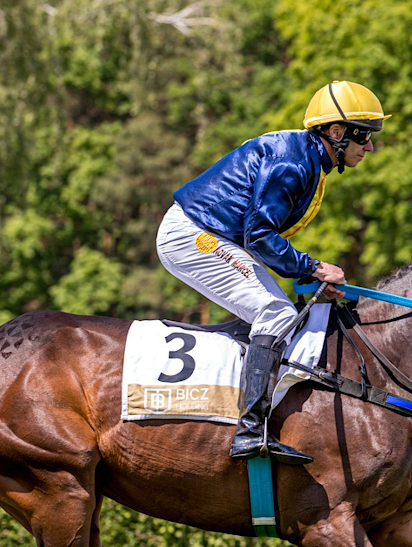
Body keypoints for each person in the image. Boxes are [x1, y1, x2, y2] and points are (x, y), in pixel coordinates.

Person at [156, 80, 389, 466]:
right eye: (363, 135)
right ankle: (250, 430)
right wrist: (315, 267)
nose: (370, 146)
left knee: (279, 311)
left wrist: (312, 275)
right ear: (336, 132)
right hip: (192, 235)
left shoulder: (308, 159)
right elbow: (260, 237)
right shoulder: (294, 164)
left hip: (211, 234)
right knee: (277, 314)